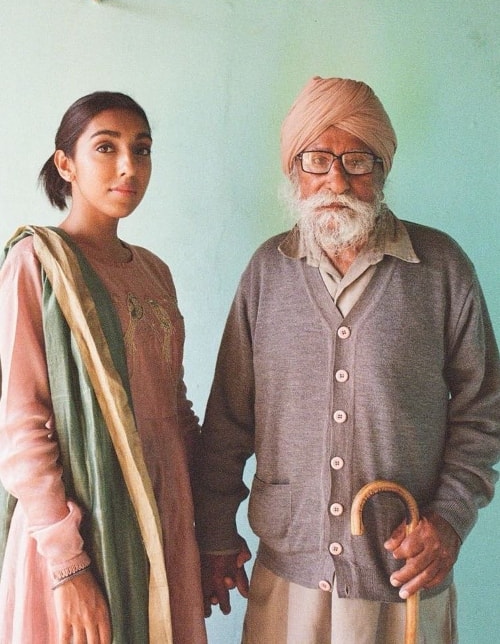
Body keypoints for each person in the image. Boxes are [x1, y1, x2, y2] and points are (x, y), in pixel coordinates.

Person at [194, 76, 500, 643]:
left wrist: (449, 521)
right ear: (294, 170)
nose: (337, 179)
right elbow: (228, 420)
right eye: (317, 159)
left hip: (404, 573)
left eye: (358, 161)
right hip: (290, 575)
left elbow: (485, 410)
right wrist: (214, 534)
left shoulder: (441, 268)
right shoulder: (267, 272)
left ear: (382, 171)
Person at [0, 92, 207, 644]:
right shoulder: (37, 264)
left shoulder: (154, 273)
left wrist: (206, 529)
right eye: (105, 148)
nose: (128, 167)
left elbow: (173, 406)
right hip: (79, 528)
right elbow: (22, 425)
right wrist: (69, 567)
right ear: (65, 164)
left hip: (163, 517)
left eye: (141, 151)